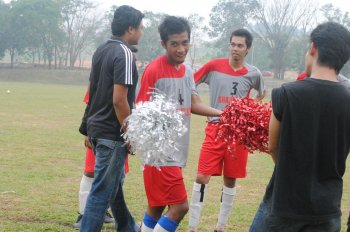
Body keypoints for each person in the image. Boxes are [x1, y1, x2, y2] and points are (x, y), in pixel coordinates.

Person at [249, 21, 350, 232]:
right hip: (327, 210)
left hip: (284, 205)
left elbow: (273, 146)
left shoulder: (286, 94)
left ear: (313, 48)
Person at [136, 16, 222, 232]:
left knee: (156, 208)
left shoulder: (188, 72)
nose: (181, 49)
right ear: (163, 44)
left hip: (177, 152)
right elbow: (140, 112)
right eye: (174, 44)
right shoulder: (154, 70)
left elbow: (194, 103)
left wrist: (223, 114)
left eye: (185, 42)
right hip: (161, 155)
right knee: (181, 207)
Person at [188, 29, 266, 232]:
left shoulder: (254, 73)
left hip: (238, 134)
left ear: (247, 49)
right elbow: (190, 82)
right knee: (201, 176)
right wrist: (199, 103)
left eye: (240, 45)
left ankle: (220, 227)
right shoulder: (213, 66)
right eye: (233, 44)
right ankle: (193, 227)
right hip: (215, 129)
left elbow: (261, 93)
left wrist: (249, 109)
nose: (235, 49)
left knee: (230, 179)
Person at [80, 5, 144, 232]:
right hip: (111, 133)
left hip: (98, 130)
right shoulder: (124, 54)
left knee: (113, 186)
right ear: (130, 29)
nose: (141, 32)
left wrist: (87, 127)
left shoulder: (101, 50)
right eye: (140, 28)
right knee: (101, 192)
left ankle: (127, 227)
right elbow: (119, 100)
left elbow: (93, 92)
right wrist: (131, 134)